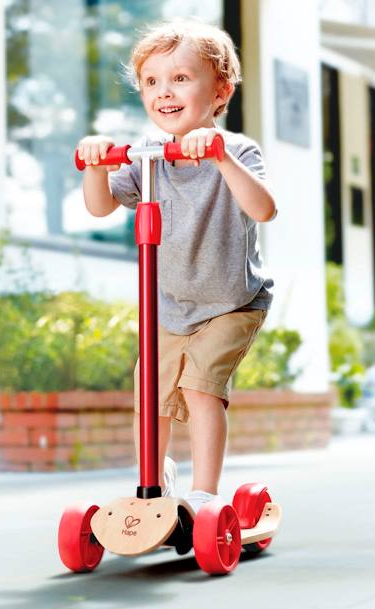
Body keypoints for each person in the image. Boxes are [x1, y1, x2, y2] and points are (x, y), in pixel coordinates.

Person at [77, 19, 277, 513]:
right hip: (168, 305)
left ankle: (205, 494)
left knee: (201, 389)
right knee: (152, 393)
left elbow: (263, 209)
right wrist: (98, 165)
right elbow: (99, 207)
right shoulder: (148, 157)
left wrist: (221, 158)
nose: (164, 92)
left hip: (231, 303)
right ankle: (155, 477)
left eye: (181, 79)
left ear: (220, 91)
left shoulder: (237, 149)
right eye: (152, 82)